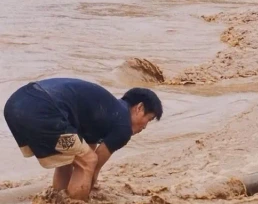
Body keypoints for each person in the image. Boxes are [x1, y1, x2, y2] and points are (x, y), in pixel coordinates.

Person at [3, 78, 163, 201]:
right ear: (139, 108)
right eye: (148, 119)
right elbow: (92, 167)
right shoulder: (123, 127)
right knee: (88, 161)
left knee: (71, 158)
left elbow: (78, 155)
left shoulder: (102, 112)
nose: (144, 127)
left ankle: (57, 200)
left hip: (16, 105)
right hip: (43, 108)